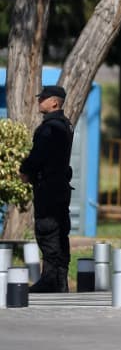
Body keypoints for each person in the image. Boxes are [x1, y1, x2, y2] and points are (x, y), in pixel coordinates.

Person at [19, 85, 74, 293]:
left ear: (54, 102)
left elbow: (38, 155)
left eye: (43, 98)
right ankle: (60, 280)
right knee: (60, 233)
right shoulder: (66, 125)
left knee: (47, 232)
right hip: (61, 187)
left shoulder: (50, 127)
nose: (39, 100)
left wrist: (25, 170)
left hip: (48, 188)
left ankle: (50, 280)